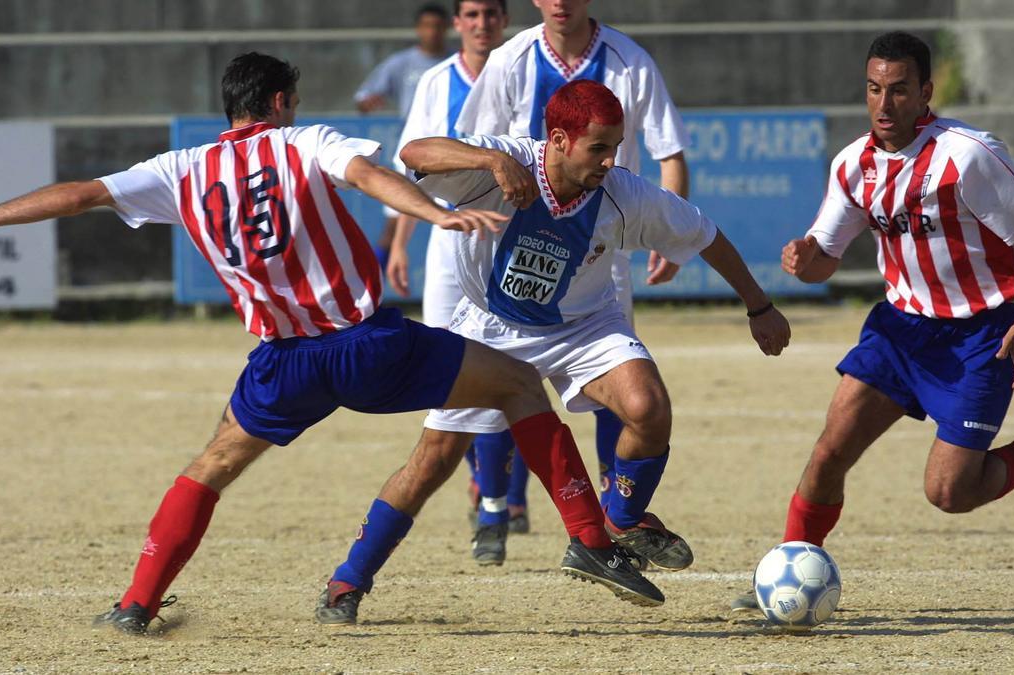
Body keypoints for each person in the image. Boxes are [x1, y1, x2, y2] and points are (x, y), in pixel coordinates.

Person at [0, 52, 663, 634]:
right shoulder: (303, 140)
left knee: (212, 464)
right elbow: (369, 173)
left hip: (281, 365)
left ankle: (136, 603)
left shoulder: (183, 169)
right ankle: (592, 540)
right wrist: (432, 213)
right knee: (515, 384)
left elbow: (81, 194)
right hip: (366, 344)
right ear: (280, 100)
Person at [336, 80, 790, 592]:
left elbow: (706, 235)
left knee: (648, 408)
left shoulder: (624, 194)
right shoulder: (505, 163)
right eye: (598, 148)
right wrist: (491, 161)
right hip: (491, 328)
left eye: (615, 147)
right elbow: (414, 151)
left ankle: (618, 520)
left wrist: (760, 306)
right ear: (557, 140)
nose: (608, 161)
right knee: (432, 462)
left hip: (584, 327)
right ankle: (350, 578)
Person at [728, 31, 1014, 612]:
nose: (884, 104)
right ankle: (790, 565)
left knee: (949, 492)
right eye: (874, 89)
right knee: (829, 453)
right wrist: (803, 259)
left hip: (979, 336)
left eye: (899, 90)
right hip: (900, 330)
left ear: (925, 93)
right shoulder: (853, 164)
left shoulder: (966, 154)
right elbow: (824, 259)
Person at [451, 0, 691, 544]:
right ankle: (495, 508)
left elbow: (670, 153)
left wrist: (670, 234)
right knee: (495, 378)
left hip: (600, 245)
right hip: (517, 245)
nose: (562, 2)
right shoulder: (511, 59)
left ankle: (616, 510)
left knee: (621, 375)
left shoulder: (630, 62)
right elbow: (471, 150)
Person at [384, 0, 514, 566]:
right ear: (458, 23)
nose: (481, 22)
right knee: (448, 374)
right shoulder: (438, 81)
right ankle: (490, 485)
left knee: (508, 368)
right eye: (471, 14)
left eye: (490, 13)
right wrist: (399, 242)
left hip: (513, 239)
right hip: (450, 236)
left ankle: (494, 504)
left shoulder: (521, 70)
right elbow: (414, 164)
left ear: (504, 20)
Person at [354, 3, 450, 270]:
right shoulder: (403, 63)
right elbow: (363, 96)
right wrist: (367, 102)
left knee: (455, 225)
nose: (433, 32)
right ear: (419, 29)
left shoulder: (455, 64)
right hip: (414, 153)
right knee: (394, 226)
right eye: (428, 26)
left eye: (438, 26)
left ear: (448, 28)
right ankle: (367, 294)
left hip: (451, 153)